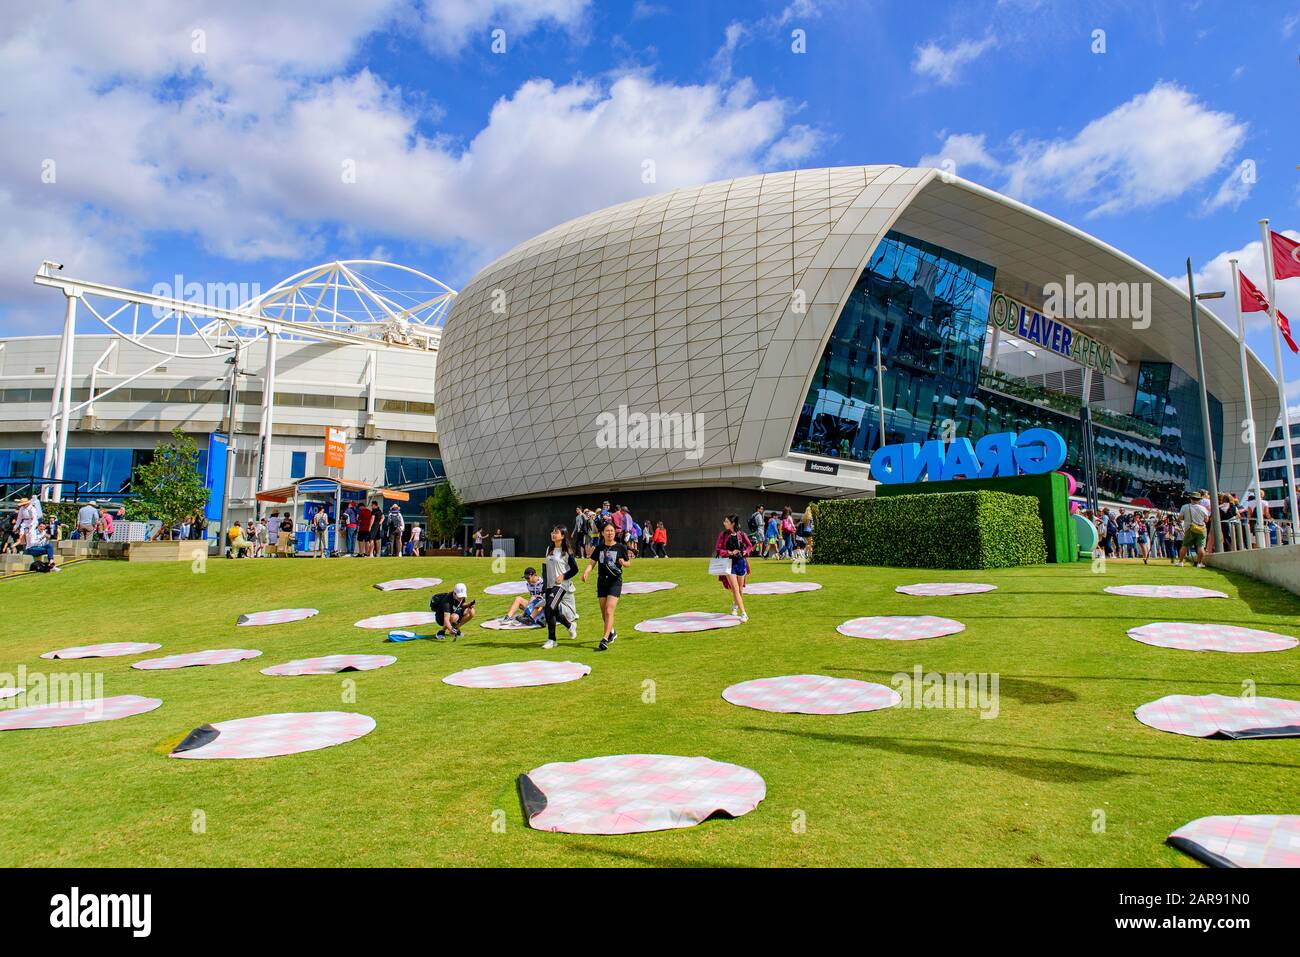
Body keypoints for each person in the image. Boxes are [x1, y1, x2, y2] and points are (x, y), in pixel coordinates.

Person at [584, 521, 630, 651]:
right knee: (604, 613)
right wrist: (587, 572)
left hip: (615, 581)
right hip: (601, 582)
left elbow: (628, 563)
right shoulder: (599, 548)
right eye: (607, 531)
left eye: (612, 531)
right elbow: (592, 563)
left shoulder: (620, 547)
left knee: (609, 610)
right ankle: (612, 632)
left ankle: (605, 639)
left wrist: (623, 562)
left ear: (615, 533)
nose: (610, 533)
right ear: (602, 533)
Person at [540, 525, 579, 650]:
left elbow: (575, 569)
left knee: (549, 608)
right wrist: (545, 585)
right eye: (553, 532)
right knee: (553, 609)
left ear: (562, 536)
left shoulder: (567, 551)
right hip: (550, 586)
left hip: (561, 586)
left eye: (556, 532)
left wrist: (563, 576)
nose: (553, 534)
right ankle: (570, 626)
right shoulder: (549, 549)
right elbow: (545, 568)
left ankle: (552, 639)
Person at [715, 514, 751, 622]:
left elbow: (750, 546)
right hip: (728, 564)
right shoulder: (723, 535)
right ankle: (744, 613)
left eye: (726, 521)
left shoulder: (741, 534)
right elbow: (718, 549)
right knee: (735, 588)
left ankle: (735, 605)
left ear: (732, 524)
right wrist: (729, 552)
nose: (724, 523)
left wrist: (746, 551)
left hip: (741, 563)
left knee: (740, 589)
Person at [1177, 492, 1209, 568]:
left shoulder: (1185, 507)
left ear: (1191, 499)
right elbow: (1206, 519)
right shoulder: (1202, 508)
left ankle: (1181, 562)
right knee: (1200, 546)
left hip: (1189, 528)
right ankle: (1199, 563)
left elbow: (1180, 518)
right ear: (1199, 500)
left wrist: (1186, 518)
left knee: (1185, 545)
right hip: (1201, 529)